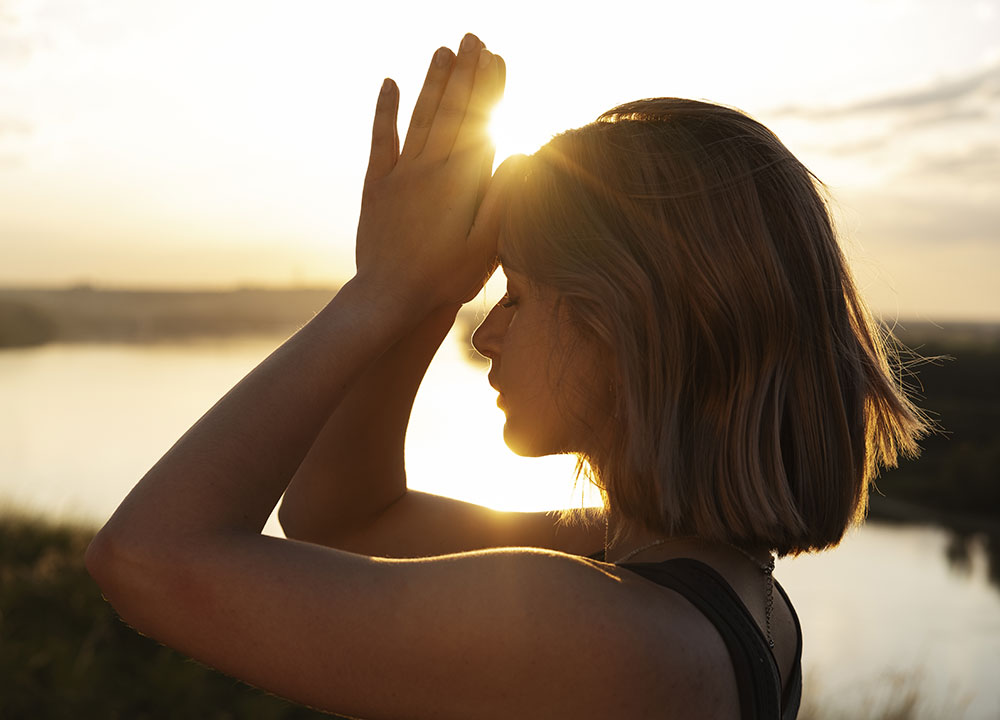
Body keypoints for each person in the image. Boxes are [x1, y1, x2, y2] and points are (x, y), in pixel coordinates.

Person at [86, 33, 925, 720]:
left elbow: (147, 558)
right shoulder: (707, 590)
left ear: (630, 326)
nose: (485, 333)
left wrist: (379, 292)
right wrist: (421, 296)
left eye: (517, 293)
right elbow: (342, 518)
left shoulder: (599, 632)